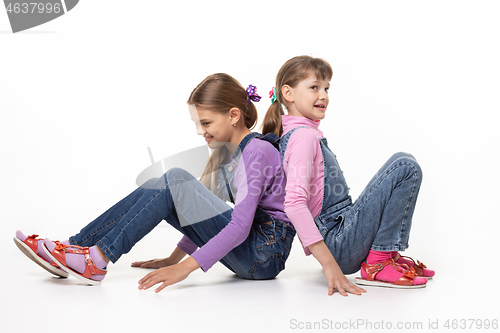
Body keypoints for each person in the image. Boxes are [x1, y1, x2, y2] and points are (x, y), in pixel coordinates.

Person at [14, 73, 296, 293]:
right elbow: (205, 215)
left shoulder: (257, 152)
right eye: (197, 124)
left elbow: (238, 227)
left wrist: (183, 269)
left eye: (206, 123)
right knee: (166, 184)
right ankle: (74, 248)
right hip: (252, 253)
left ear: (234, 115)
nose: (201, 132)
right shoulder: (227, 155)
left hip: (263, 256)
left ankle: (96, 259)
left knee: (175, 178)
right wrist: (174, 258)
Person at [262, 55, 435, 296]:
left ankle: (387, 255)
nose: (323, 95)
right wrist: (330, 265)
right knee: (405, 167)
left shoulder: (302, 133)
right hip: (338, 242)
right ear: (288, 94)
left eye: (326, 88)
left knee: (403, 160)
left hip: (343, 231)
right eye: (314, 87)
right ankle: (378, 262)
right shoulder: (303, 137)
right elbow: (294, 205)